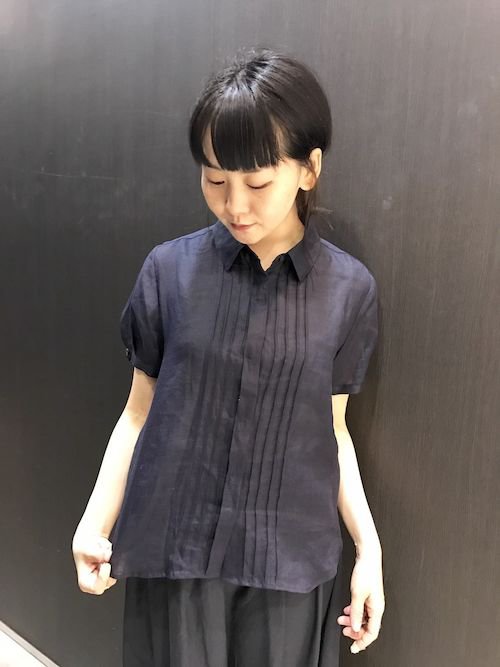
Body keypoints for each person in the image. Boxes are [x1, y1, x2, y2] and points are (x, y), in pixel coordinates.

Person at [72, 47, 385, 666]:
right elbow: (138, 414)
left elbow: (333, 432)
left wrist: (369, 551)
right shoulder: (169, 270)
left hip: (289, 564)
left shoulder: (349, 290)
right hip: (174, 553)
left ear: (309, 169)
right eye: (215, 180)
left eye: (257, 183)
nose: (234, 205)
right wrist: (93, 522)